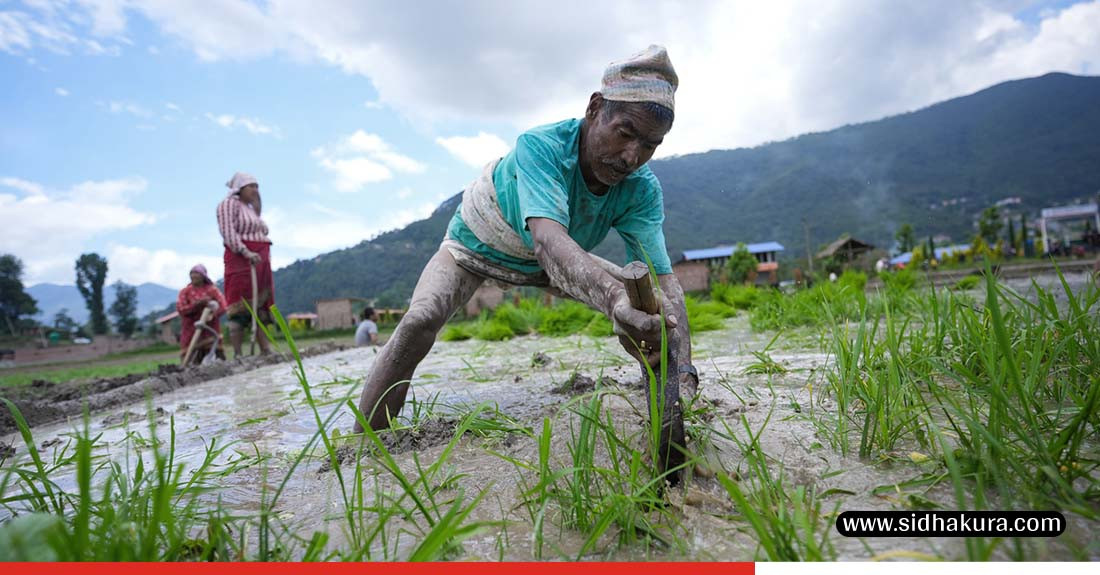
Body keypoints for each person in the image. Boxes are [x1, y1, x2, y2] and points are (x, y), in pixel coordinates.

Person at [355, 45, 698, 432]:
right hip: (479, 245)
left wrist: (683, 370)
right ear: (595, 108)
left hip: (556, 260)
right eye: (625, 133)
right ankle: (365, 443)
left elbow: (663, 280)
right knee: (420, 320)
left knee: (648, 308)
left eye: (650, 145)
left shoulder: (641, 190)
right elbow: (549, 240)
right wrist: (614, 298)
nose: (632, 157)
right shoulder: (541, 148)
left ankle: (662, 404)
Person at [217, 172, 274, 357]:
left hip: (260, 264)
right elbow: (228, 232)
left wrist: (257, 199)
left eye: (257, 187)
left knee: (259, 307)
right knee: (240, 307)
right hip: (242, 261)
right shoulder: (228, 205)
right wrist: (246, 252)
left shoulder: (250, 209)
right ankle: (239, 354)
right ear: (239, 188)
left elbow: (260, 219)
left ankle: (265, 349)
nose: (255, 190)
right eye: (251, 186)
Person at [176, 264, 227, 364]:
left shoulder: (212, 290)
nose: (194, 276)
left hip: (210, 329)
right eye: (192, 273)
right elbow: (181, 309)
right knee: (191, 359)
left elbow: (223, 306)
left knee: (215, 357)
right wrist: (196, 305)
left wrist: (212, 314)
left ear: (203, 276)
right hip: (191, 330)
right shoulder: (185, 292)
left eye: (197, 273)